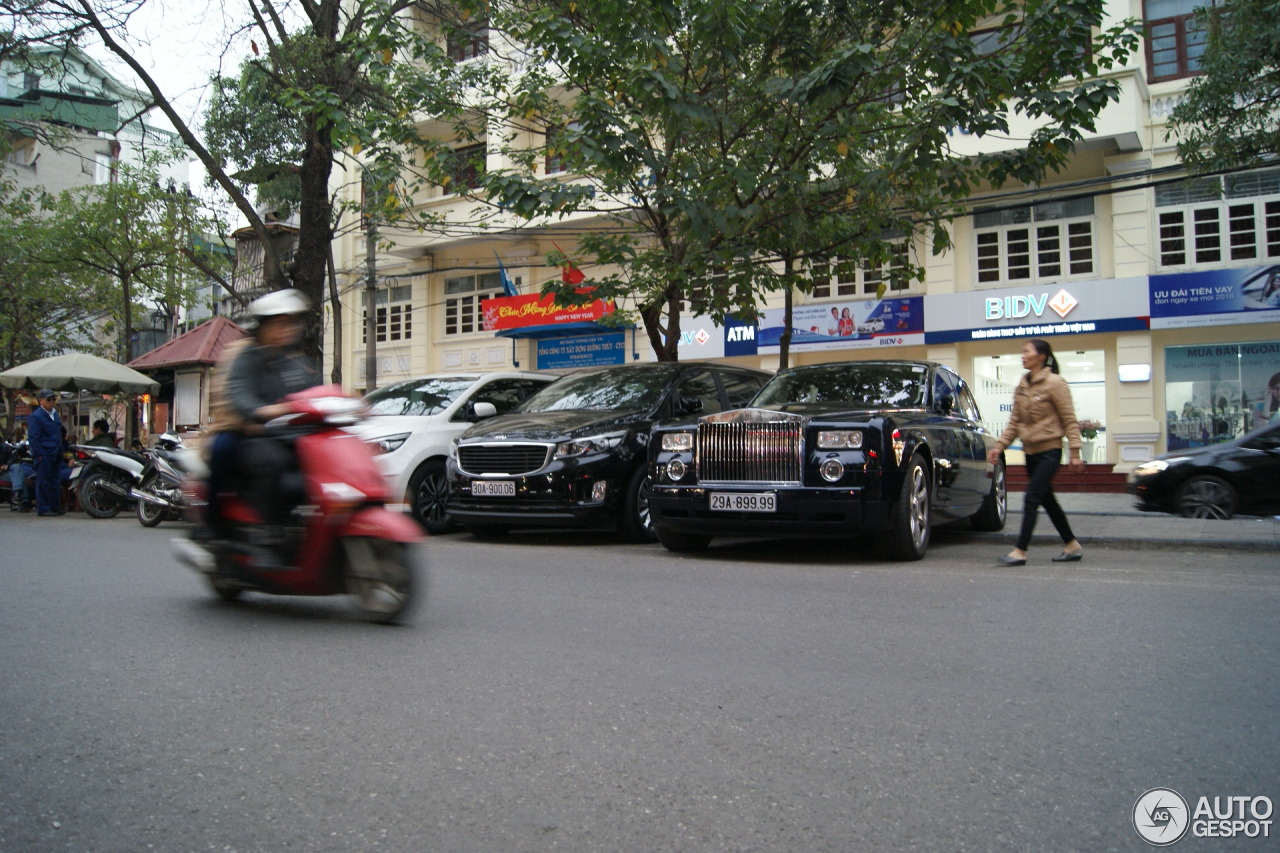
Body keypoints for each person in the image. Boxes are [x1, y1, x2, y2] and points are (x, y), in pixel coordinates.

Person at [218, 289, 319, 554]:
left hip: (294, 437)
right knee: (274, 463)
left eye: (290, 323)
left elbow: (315, 394)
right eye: (279, 323)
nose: (287, 329)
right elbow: (240, 395)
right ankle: (268, 530)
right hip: (260, 437)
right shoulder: (247, 360)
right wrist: (264, 410)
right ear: (262, 327)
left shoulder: (297, 363)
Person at [986, 339, 1086, 565]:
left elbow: (1069, 420)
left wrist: (1075, 452)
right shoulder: (1021, 387)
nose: (1023, 355)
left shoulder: (1055, 383)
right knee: (1047, 500)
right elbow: (1014, 423)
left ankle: (1020, 550)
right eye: (1022, 352)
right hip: (1029, 453)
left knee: (1031, 498)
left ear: (1041, 356)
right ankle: (1071, 545)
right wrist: (999, 446)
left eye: (1027, 351)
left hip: (1050, 451)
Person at [27, 388, 65, 516]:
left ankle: (55, 506)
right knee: (43, 481)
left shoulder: (55, 414)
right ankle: (43, 508)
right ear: (41, 400)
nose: (52, 401)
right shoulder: (36, 416)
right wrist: (40, 454)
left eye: (53, 399)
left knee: (55, 480)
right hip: (44, 453)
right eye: (49, 399)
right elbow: (33, 438)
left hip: (56, 452)